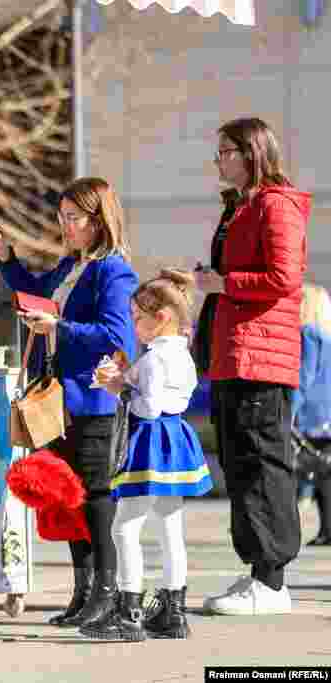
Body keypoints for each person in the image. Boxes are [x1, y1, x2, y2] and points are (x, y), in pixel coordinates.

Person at [0, 177, 138, 627]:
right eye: (61, 217)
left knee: (94, 497)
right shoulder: (69, 266)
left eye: (73, 218)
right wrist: (6, 260)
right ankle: (83, 589)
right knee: (68, 497)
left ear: (99, 220)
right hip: (58, 398)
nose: (65, 225)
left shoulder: (113, 270)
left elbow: (117, 336)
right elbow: (37, 294)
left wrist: (58, 326)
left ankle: (107, 591)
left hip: (92, 398)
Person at [197, 117, 309, 616]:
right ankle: (258, 576)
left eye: (226, 151)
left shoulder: (275, 205)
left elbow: (284, 277)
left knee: (263, 465)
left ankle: (272, 580)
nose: (218, 160)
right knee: (240, 466)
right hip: (234, 353)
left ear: (252, 152)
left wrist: (225, 284)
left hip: (261, 356)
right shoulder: (238, 208)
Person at [82, 269, 214, 642]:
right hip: (176, 439)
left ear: (162, 318)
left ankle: (129, 613)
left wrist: (118, 388)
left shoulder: (156, 358)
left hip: (150, 441)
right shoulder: (180, 355)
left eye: (138, 318)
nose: (134, 325)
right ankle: (174, 613)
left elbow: (149, 408)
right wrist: (126, 377)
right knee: (170, 526)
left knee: (125, 525)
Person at [292, 283, 331, 545]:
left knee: (319, 475)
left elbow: (303, 379)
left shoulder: (308, 334)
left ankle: (326, 529)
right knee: (325, 475)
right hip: (326, 412)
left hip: (314, 414)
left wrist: (288, 411)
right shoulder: (327, 337)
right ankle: (327, 530)